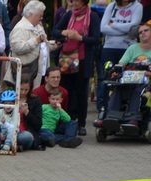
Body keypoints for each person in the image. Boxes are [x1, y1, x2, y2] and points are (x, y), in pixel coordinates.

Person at [51, 0, 100, 134]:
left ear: (84, 2)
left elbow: (96, 39)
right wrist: (64, 32)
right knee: (66, 91)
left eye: (77, 0)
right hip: (67, 58)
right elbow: (55, 31)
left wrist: (80, 37)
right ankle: (66, 121)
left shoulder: (93, 16)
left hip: (83, 59)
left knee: (80, 92)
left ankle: (81, 124)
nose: (74, 3)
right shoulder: (69, 14)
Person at [98, 0, 143, 112]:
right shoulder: (111, 6)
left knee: (127, 77)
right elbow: (103, 28)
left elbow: (133, 29)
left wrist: (113, 25)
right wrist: (124, 29)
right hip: (109, 47)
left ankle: (125, 109)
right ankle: (103, 109)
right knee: (107, 77)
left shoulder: (138, 6)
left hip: (128, 48)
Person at [104, 21, 151, 125]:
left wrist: (146, 73)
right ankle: (112, 117)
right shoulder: (132, 48)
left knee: (138, 91)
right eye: (140, 32)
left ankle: (132, 119)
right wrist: (116, 72)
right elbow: (121, 64)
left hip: (146, 82)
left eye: (146, 31)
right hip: (129, 79)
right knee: (117, 88)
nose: (142, 33)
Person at [6, 0, 47, 88]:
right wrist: (35, 41)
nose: (41, 18)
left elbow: (42, 46)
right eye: (40, 16)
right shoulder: (20, 28)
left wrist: (54, 45)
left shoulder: (38, 26)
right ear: (31, 14)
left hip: (36, 70)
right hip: (24, 72)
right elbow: (17, 47)